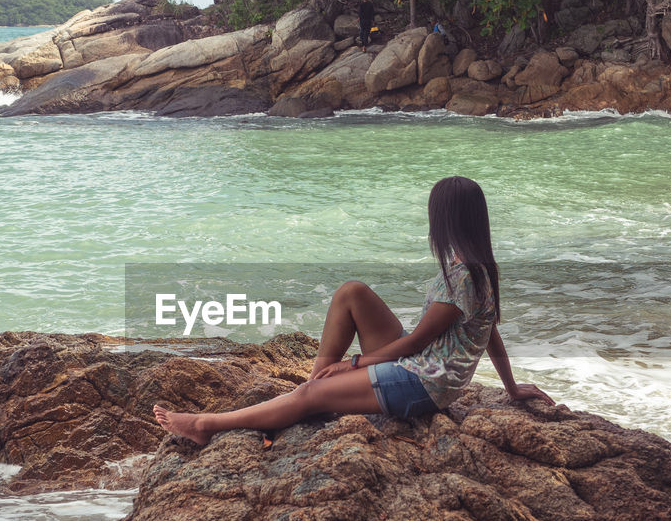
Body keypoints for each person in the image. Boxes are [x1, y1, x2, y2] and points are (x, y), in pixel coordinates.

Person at [152, 176, 555, 446]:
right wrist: (511, 387)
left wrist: (355, 362)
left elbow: (417, 341)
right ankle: (307, 399)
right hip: (422, 365)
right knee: (352, 293)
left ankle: (208, 425)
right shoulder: (476, 267)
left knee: (315, 390)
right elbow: (490, 332)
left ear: (444, 220)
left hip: (424, 384)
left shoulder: (464, 274)